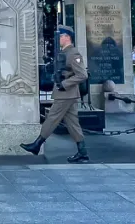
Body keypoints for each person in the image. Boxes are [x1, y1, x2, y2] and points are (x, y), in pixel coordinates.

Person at [20, 26, 89, 163]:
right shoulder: (64, 52)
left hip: (66, 93)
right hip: (65, 93)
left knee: (52, 118)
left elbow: (82, 75)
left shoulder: (73, 54)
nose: (59, 39)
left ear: (67, 37)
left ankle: (37, 144)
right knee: (73, 123)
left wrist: (65, 83)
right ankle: (83, 153)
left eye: (61, 36)